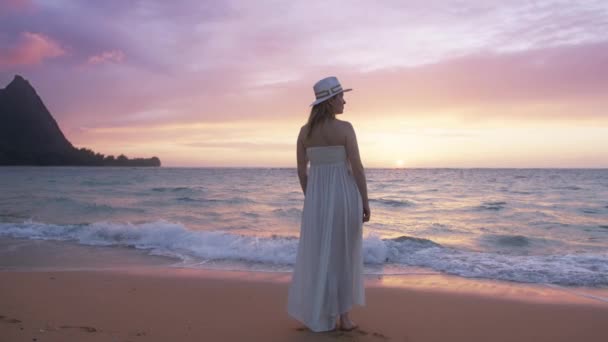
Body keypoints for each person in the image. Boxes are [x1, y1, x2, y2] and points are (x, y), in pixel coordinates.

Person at [287, 76, 370, 332]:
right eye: (341, 96)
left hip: (317, 201)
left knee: (321, 255)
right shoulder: (345, 128)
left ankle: (321, 313)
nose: (344, 101)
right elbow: (357, 168)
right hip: (345, 197)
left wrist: (312, 199)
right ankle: (344, 318)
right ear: (330, 100)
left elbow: (302, 172)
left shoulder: (304, 133)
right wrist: (365, 201)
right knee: (344, 255)